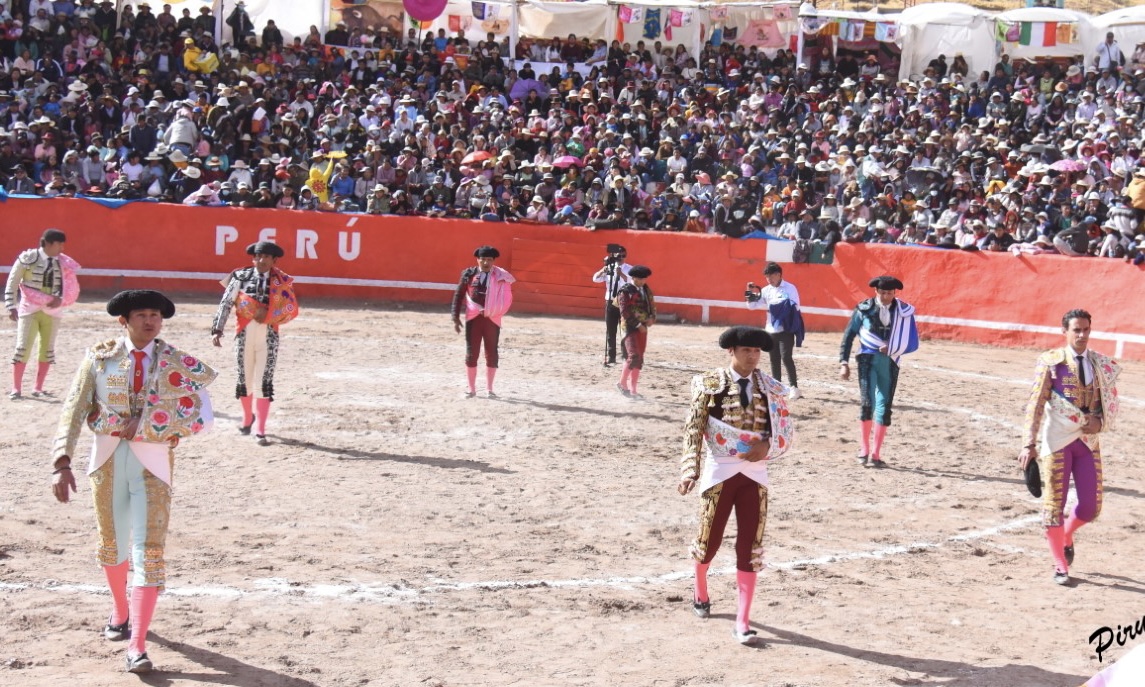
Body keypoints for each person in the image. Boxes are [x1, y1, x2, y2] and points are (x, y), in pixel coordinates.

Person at [51, 290, 217, 674]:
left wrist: (151, 424)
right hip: (105, 462)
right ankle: (120, 610)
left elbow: (203, 418)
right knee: (112, 545)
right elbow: (74, 409)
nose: (150, 321)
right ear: (123, 321)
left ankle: (137, 645)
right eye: (141, 315)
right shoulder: (101, 358)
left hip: (153, 467)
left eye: (155, 315)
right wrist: (61, 461)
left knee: (149, 552)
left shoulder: (177, 362)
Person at [678, 326, 795, 644]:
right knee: (708, 542)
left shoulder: (770, 387)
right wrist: (689, 471)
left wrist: (767, 446)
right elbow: (694, 429)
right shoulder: (709, 384)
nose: (753, 357)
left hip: (755, 476)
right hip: (719, 472)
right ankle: (700, 591)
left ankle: (742, 622)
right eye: (747, 351)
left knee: (750, 547)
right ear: (731, 351)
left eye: (757, 351)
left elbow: (783, 429)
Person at [1018, 309, 1121, 585]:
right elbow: (1036, 404)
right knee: (1054, 506)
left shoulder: (1100, 364)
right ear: (1065, 331)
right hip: (1057, 442)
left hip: (1087, 442)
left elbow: (1108, 405)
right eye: (1076, 330)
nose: (1082, 335)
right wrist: (1029, 443)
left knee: (1090, 507)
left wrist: (1100, 423)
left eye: (1086, 329)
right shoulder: (1050, 362)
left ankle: (1066, 534)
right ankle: (1060, 565)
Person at [210, 241, 299, 446]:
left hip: (269, 336)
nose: (261, 260)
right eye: (258, 257)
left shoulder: (282, 281)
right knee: (244, 379)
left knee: (263, 382)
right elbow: (226, 302)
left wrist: (269, 313)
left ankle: (260, 429)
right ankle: (247, 417)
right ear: (253, 259)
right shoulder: (240, 277)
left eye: (266, 257)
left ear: (274, 260)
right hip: (243, 335)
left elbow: (289, 308)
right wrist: (217, 329)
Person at [839, 275, 919, 467]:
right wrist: (844, 362)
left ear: (895, 293)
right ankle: (864, 449)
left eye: (889, 293)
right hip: (867, 359)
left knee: (885, 406)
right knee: (868, 403)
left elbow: (912, 340)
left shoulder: (903, 312)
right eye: (882, 293)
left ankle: (875, 454)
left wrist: (893, 348)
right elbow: (849, 335)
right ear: (875, 291)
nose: (885, 297)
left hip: (890, 361)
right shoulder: (864, 309)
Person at [5, 229, 81, 399]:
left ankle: (38, 388)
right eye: (59, 244)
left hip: (53, 311)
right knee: (22, 348)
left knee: (47, 350)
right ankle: (16, 388)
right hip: (29, 309)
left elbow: (69, 286)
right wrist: (11, 305)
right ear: (48, 243)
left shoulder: (63, 262)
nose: (62, 248)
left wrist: (60, 299)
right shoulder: (27, 258)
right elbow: (13, 282)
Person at [451, 246, 516, 398]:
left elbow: (506, 297)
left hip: (492, 319)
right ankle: (471, 389)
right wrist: (455, 315)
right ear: (477, 259)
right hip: (474, 318)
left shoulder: (501, 276)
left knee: (491, 352)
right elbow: (459, 294)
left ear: (493, 261)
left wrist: (496, 310)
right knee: (471, 353)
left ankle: (489, 389)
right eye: (483, 259)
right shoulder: (469, 274)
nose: (486, 263)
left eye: (489, 260)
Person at [745, 262, 805, 400]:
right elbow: (751, 306)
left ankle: (794, 387)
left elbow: (795, 305)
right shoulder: (766, 290)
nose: (769, 280)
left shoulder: (790, 288)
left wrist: (775, 307)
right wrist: (749, 292)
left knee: (786, 357)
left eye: (771, 276)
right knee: (774, 359)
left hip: (786, 329)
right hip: (771, 329)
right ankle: (777, 388)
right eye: (767, 277)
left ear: (778, 275)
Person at [615, 265, 655, 399]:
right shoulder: (625, 291)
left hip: (642, 326)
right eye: (641, 279)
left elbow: (651, 304)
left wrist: (651, 317)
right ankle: (622, 383)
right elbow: (624, 312)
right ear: (634, 278)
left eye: (644, 279)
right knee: (633, 356)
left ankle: (633, 390)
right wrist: (638, 324)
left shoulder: (645, 289)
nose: (644, 281)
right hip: (629, 327)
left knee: (639, 358)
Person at [590, 244, 631, 367]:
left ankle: (625, 356)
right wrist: (603, 270)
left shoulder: (629, 268)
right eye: (619, 256)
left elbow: (632, 283)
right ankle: (611, 356)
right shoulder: (609, 268)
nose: (621, 258)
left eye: (623, 256)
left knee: (624, 330)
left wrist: (621, 274)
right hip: (610, 301)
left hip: (624, 302)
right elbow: (595, 279)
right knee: (610, 330)